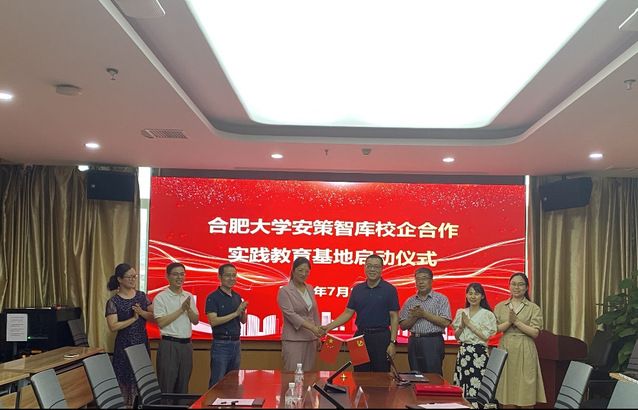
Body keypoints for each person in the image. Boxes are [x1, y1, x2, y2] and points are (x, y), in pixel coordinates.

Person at [322, 254, 400, 372]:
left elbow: (394, 317)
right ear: (364, 267)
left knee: (381, 375)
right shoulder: (357, 289)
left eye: (376, 267)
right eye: (369, 266)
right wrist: (328, 327)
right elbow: (348, 313)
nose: (372, 269)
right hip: (359, 338)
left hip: (381, 337)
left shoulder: (390, 290)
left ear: (382, 269)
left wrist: (392, 342)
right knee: (359, 374)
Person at [494, 272, 546, 409]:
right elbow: (494, 329)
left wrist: (517, 322)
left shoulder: (533, 308)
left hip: (525, 348)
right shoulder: (500, 306)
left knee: (526, 390)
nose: (516, 287)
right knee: (507, 391)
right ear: (509, 286)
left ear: (527, 287)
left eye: (520, 284)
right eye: (513, 284)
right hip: (506, 348)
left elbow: (535, 332)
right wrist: (509, 322)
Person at [105, 263, 154, 407]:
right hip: (124, 346)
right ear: (120, 279)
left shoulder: (141, 296)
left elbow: (154, 317)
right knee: (125, 379)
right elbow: (113, 326)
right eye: (130, 277)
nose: (133, 279)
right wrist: (132, 319)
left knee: (142, 380)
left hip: (142, 343)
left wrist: (141, 313)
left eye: (135, 276)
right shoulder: (113, 301)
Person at [153, 262, 199, 394]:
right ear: (167, 276)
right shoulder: (160, 297)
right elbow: (161, 322)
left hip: (187, 345)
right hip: (169, 345)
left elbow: (195, 321)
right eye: (175, 274)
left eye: (182, 274)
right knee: (167, 385)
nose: (179, 277)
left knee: (183, 385)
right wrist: (181, 310)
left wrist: (188, 309)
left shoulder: (188, 296)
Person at [398, 267, 452, 375]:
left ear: (431, 281)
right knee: (415, 375)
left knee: (433, 376)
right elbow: (403, 326)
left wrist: (424, 314)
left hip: (433, 341)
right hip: (414, 342)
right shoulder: (410, 301)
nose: (421, 282)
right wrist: (414, 317)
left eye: (424, 278)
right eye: (418, 279)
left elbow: (446, 322)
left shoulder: (441, 299)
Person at [277, 257, 325, 371]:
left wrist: (318, 335)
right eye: (300, 270)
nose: (303, 274)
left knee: (308, 376)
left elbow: (314, 312)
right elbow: (291, 315)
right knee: (293, 375)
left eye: (307, 271)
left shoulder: (310, 288)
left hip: (311, 339)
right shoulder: (284, 291)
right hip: (293, 339)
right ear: (293, 271)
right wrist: (312, 328)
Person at [451, 282, 497, 398]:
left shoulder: (487, 314)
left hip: (479, 354)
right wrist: (462, 326)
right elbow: (457, 337)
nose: (473, 296)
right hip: (463, 353)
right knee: (462, 385)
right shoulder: (461, 312)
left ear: (482, 296)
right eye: (470, 293)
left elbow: (485, 336)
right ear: (466, 295)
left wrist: (469, 324)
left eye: (476, 294)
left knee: (477, 386)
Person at [205, 263, 248, 388]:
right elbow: (213, 321)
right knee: (217, 382)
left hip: (236, 343)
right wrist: (236, 313)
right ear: (220, 277)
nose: (232, 279)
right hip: (221, 344)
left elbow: (243, 321)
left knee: (233, 382)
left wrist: (242, 311)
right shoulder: (213, 297)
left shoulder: (236, 296)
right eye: (228, 275)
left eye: (234, 275)